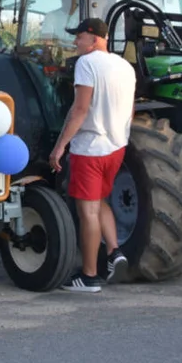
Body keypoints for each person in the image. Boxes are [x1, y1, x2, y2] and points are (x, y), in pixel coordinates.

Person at [48, 17, 135, 293]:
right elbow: (130, 111)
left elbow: (80, 110)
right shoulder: (125, 66)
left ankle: (88, 276)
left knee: (88, 212)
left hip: (90, 150)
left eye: (79, 37)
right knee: (100, 201)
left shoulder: (87, 64)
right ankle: (114, 252)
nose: (75, 42)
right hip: (116, 147)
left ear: (94, 37)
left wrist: (60, 146)